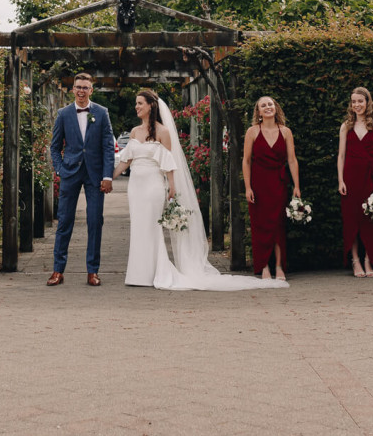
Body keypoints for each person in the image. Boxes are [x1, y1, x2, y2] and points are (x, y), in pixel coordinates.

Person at [113, 89, 285, 291]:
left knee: (152, 226)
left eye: (140, 103)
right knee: (138, 226)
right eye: (136, 103)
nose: (137, 107)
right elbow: (126, 160)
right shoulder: (134, 132)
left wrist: (172, 187)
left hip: (153, 186)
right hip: (135, 187)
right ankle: (138, 273)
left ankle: (155, 272)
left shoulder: (163, 132)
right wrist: (108, 178)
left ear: (151, 106)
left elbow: (169, 163)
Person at [48, 73, 115, 287]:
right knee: (64, 221)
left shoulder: (102, 113)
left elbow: (107, 147)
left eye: (85, 87)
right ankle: (58, 270)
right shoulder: (63, 114)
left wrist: (107, 176)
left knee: (95, 221)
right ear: (73, 89)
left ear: (91, 90)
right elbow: (55, 147)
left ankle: (92, 271)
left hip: (95, 174)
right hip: (70, 173)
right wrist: (59, 169)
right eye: (78, 87)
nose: (81, 91)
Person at [242, 96, 300, 281]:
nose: (268, 107)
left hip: (279, 183)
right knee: (260, 226)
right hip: (258, 184)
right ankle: (264, 266)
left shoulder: (286, 132)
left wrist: (297, 186)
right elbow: (246, 160)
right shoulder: (252, 132)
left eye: (270, 104)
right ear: (258, 112)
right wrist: (248, 187)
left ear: (276, 108)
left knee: (278, 226)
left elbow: (292, 160)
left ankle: (279, 266)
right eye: (263, 105)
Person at [337, 87, 373, 278]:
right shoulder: (346, 126)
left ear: (368, 102)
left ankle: (369, 259)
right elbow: (341, 155)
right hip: (350, 177)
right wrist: (340, 179)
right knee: (352, 220)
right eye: (354, 102)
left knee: (370, 219)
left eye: (360, 101)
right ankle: (355, 259)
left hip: (371, 177)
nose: (357, 105)